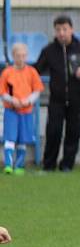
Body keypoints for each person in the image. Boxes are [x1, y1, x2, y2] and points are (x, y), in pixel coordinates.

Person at [34, 14, 80, 172]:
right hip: (56, 100)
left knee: (73, 133)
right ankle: (48, 166)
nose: (61, 33)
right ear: (55, 32)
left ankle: (67, 165)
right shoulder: (48, 51)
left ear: (71, 30)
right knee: (53, 132)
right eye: (58, 30)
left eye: (64, 29)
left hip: (78, 100)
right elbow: (35, 71)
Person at [1, 43, 44, 175]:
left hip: (26, 111)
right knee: (10, 137)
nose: (21, 58)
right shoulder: (7, 72)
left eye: (23, 55)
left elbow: (37, 91)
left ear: (26, 56)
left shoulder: (32, 72)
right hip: (11, 111)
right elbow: (2, 92)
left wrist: (28, 101)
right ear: (13, 56)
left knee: (23, 139)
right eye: (18, 56)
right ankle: (8, 165)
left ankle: (19, 166)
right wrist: (11, 100)